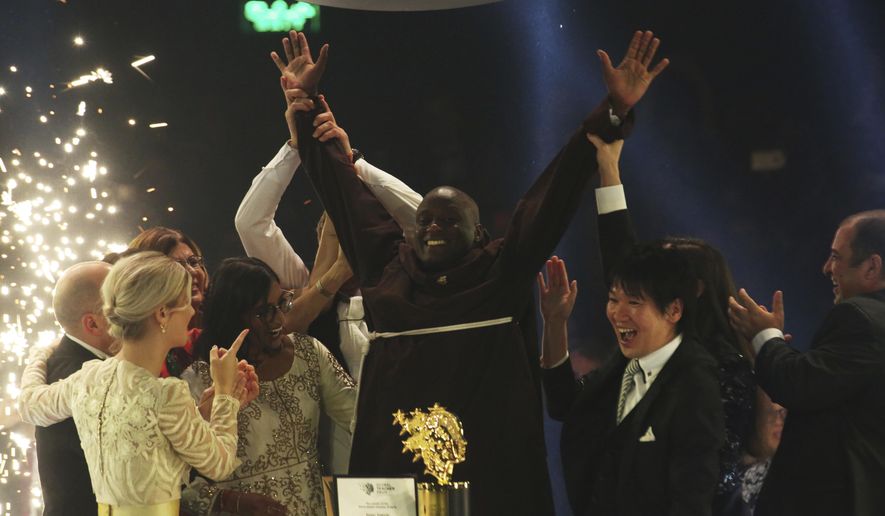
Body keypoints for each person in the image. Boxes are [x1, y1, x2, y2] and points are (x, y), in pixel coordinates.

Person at [290, 29, 666, 515]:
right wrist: (304, 105)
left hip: (491, 488)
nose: (433, 228)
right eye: (425, 220)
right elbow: (343, 192)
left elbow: (554, 190)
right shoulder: (388, 269)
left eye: (450, 221)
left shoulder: (500, 271)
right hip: (399, 494)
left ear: (479, 234)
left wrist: (612, 110)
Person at [588, 134, 755, 510]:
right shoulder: (659, 349)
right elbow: (622, 265)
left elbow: (705, 476)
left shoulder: (720, 367)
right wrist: (609, 169)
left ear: (692, 290)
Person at [18, 252, 253, 514]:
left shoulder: (86, 379)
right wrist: (225, 394)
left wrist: (41, 352)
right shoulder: (166, 394)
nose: (191, 311)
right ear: (162, 313)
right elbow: (220, 464)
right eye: (185, 302)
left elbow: (29, 404)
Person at [540, 252, 725, 515]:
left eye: (634, 302)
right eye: (614, 299)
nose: (618, 314)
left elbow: (692, 500)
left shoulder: (695, 383)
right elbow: (565, 405)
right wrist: (555, 323)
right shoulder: (624, 364)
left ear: (674, 310)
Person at [729, 210, 885, 516]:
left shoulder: (861, 318)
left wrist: (765, 336)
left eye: (836, 257)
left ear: (872, 266)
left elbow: (799, 385)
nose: (827, 268)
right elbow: (828, 383)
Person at [182, 257, 356, 516]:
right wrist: (231, 501)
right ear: (232, 315)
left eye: (281, 304)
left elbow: (357, 418)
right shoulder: (199, 380)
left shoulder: (308, 353)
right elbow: (174, 483)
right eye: (263, 312)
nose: (279, 320)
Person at [34, 261, 116, 516]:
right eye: (121, 300)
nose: (136, 309)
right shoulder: (83, 376)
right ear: (93, 324)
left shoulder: (71, 359)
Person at [127, 226, 210, 377]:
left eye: (193, 262)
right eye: (177, 266)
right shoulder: (140, 361)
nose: (192, 271)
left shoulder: (215, 323)